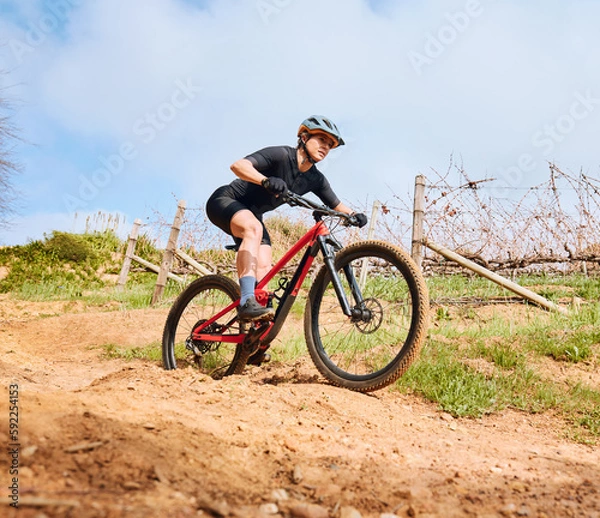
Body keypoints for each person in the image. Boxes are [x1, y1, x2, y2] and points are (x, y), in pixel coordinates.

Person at [206, 115, 368, 321]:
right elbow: (238, 166)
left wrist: (354, 215)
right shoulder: (281, 155)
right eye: (321, 140)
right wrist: (265, 180)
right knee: (253, 229)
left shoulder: (315, 179)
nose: (326, 147)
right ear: (304, 136)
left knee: (264, 267)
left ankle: (254, 337)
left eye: (330, 145)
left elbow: (336, 205)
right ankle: (247, 300)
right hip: (225, 200)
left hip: (253, 215)